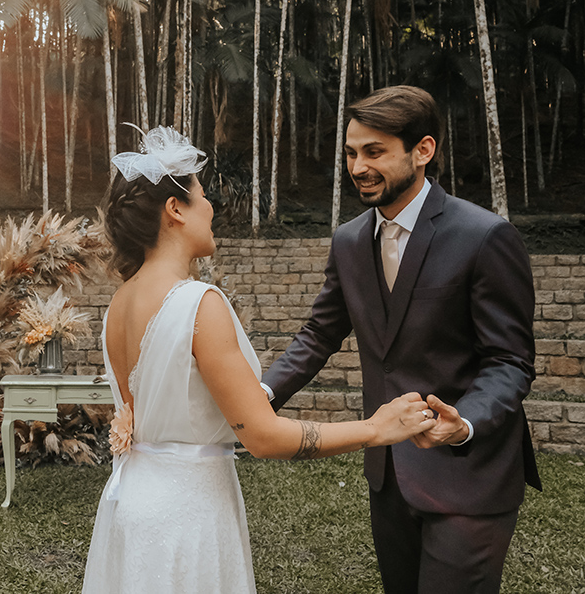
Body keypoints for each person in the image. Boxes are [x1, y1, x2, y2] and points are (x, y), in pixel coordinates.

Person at [82, 125, 435, 594]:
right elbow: (265, 437)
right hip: (187, 515)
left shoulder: (119, 304)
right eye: (202, 197)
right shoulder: (197, 303)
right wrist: (378, 428)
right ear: (175, 211)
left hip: (132, 505)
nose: (211, 209)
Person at [261, 86, 542, 594]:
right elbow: (319, 334)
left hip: (469, 475)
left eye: (374, 152)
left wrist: (466, 424)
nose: (359, 166)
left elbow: (510, 361)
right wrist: (257, 398)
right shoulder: (348, 240)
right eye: (351, 152)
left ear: (423, 151)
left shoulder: (485, 236)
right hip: (388, 475)